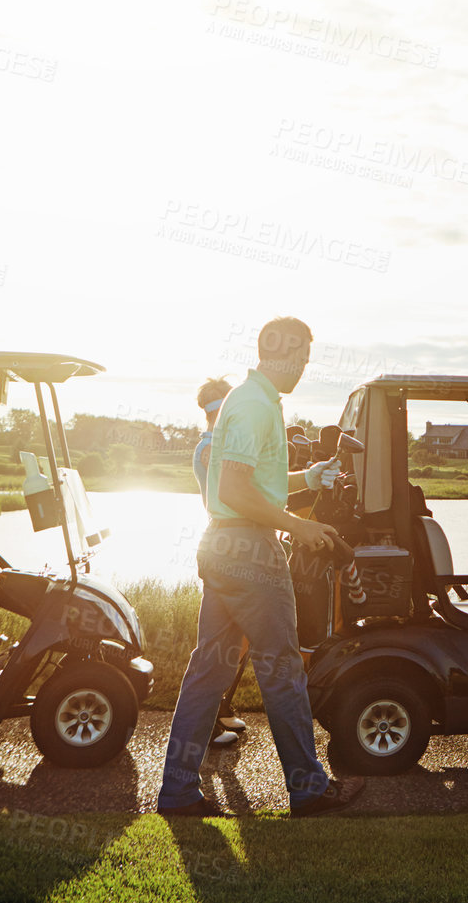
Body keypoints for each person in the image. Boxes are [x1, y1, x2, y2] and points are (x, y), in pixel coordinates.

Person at [156, 318, 364, 819]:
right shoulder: (253, 404)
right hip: (250, 554)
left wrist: (308, 477)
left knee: (208, 672)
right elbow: (233, 491)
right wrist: (302, 526)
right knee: (283, 670)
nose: (304, 367)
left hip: (224, 548)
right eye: (304, 357)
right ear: (285, 350)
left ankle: (179, 792)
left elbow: (252, 486)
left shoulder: (253, 400)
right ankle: (309, 789)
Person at [191, 378, 244, 748]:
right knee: (215, 646)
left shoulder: (213, 445)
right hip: (225, 547)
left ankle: (220, 708)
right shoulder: (211, 449)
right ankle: (205, 726)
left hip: (224, 545)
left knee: (231, 641)